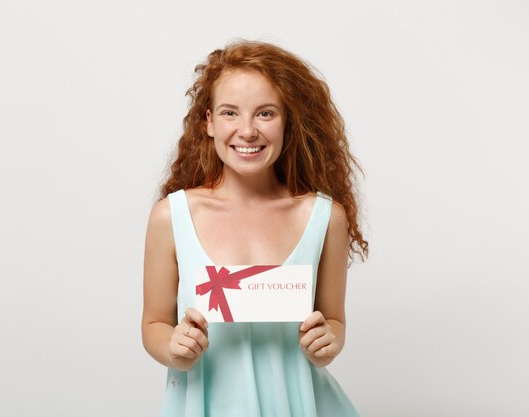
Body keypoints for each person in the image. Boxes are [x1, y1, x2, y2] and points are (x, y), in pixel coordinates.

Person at [142, 40, 369, 417]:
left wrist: (328, 340)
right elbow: (154, 324)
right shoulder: (172, 216)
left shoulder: (325, 218)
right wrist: (173, 348)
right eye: (230, 113)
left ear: (288, 123)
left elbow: (334, 321)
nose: (247, 131)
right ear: (209, 122)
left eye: (265, 114)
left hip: (300, 405)